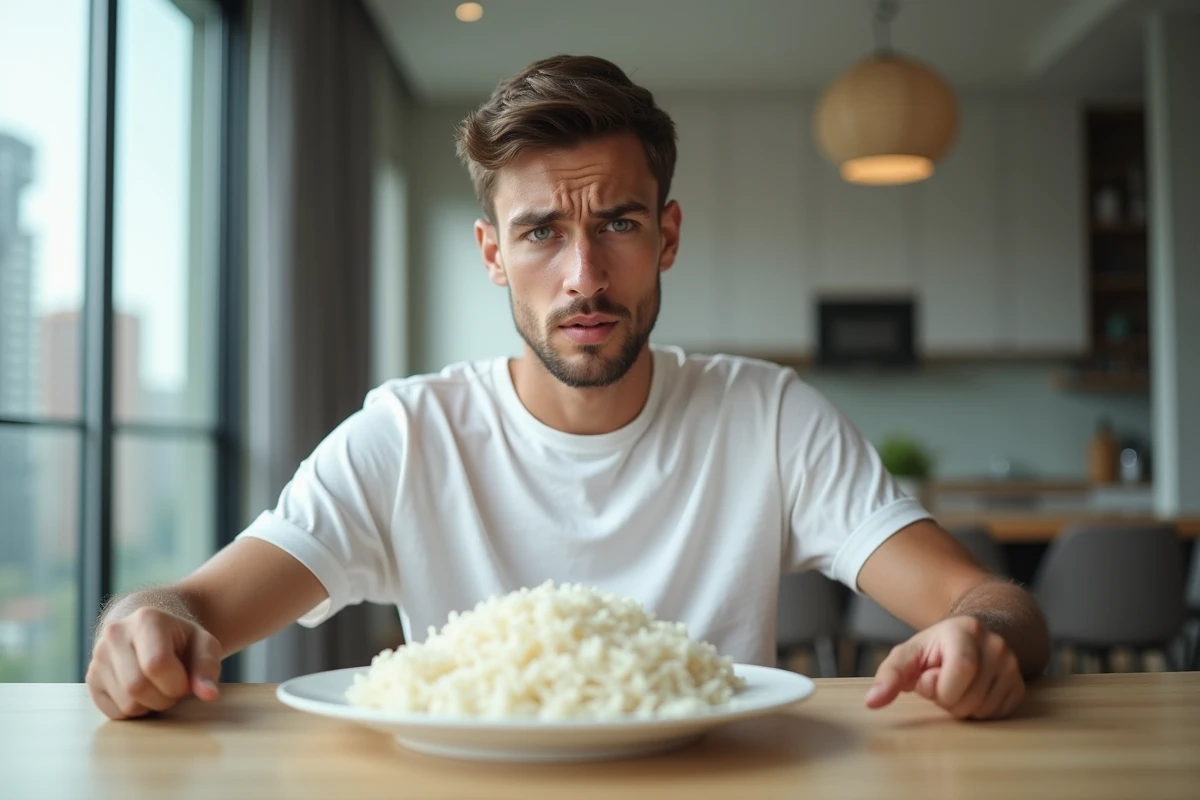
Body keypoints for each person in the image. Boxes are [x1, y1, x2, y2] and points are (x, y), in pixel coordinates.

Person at [86, 54, 1049, 723]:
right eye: (542, 231)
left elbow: (988, 597)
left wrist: (985, 639)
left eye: (619, 225)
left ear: (666, 236)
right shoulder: (408, 434)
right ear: (493, 254)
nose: (585, 276)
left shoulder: (769, 417)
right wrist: (146, 626)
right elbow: (191, 607)